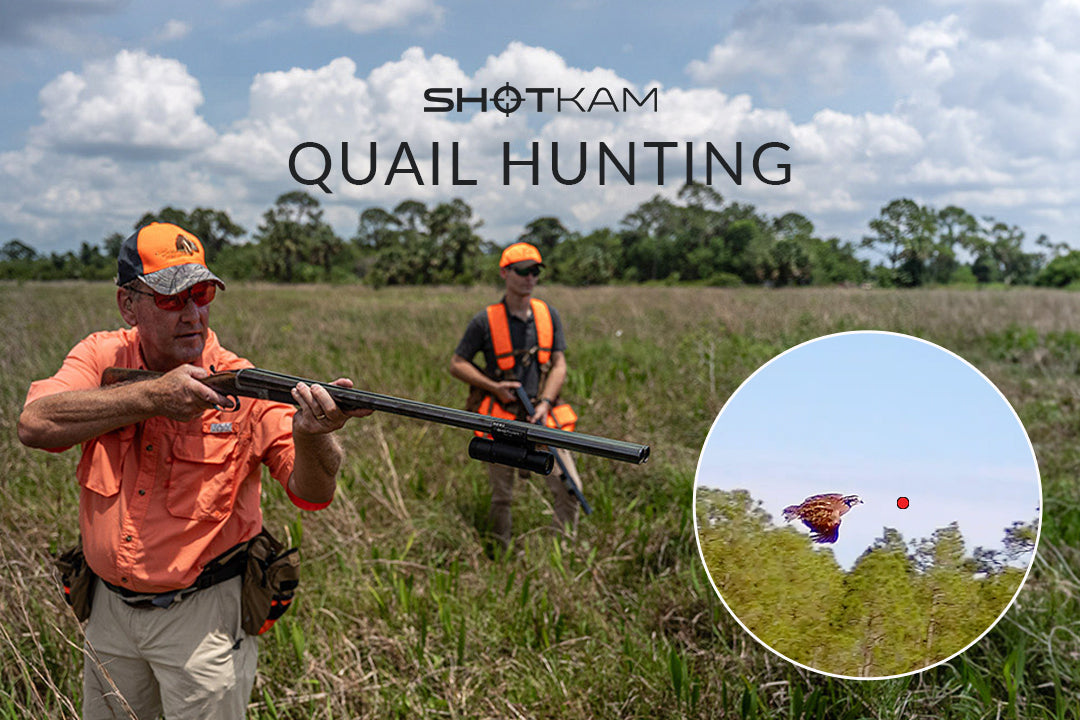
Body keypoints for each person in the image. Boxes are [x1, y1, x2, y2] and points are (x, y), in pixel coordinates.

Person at [17, 222, 370, 720]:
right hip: (108, 614)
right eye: (170, 298)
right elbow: (35, 424)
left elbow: (311, 493)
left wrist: (314, 435)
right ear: (127, 304)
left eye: (202, 294)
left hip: (202, 620)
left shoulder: (241, 381)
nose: (192, 313)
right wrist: (152, 397)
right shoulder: (102, 355)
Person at [449, 242, 582, 551]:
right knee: (502, 497)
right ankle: (500, 553)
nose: (530, 278)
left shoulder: (548, 315)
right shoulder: (484, 320)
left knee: (570, 489)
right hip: (502, 420)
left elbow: (559, 363)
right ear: (504, 273)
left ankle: (562, 556)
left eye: (535, 271)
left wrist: (546, 402)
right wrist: (494, 387)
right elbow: (457, 364)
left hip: (544, 417)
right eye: (523, 271)